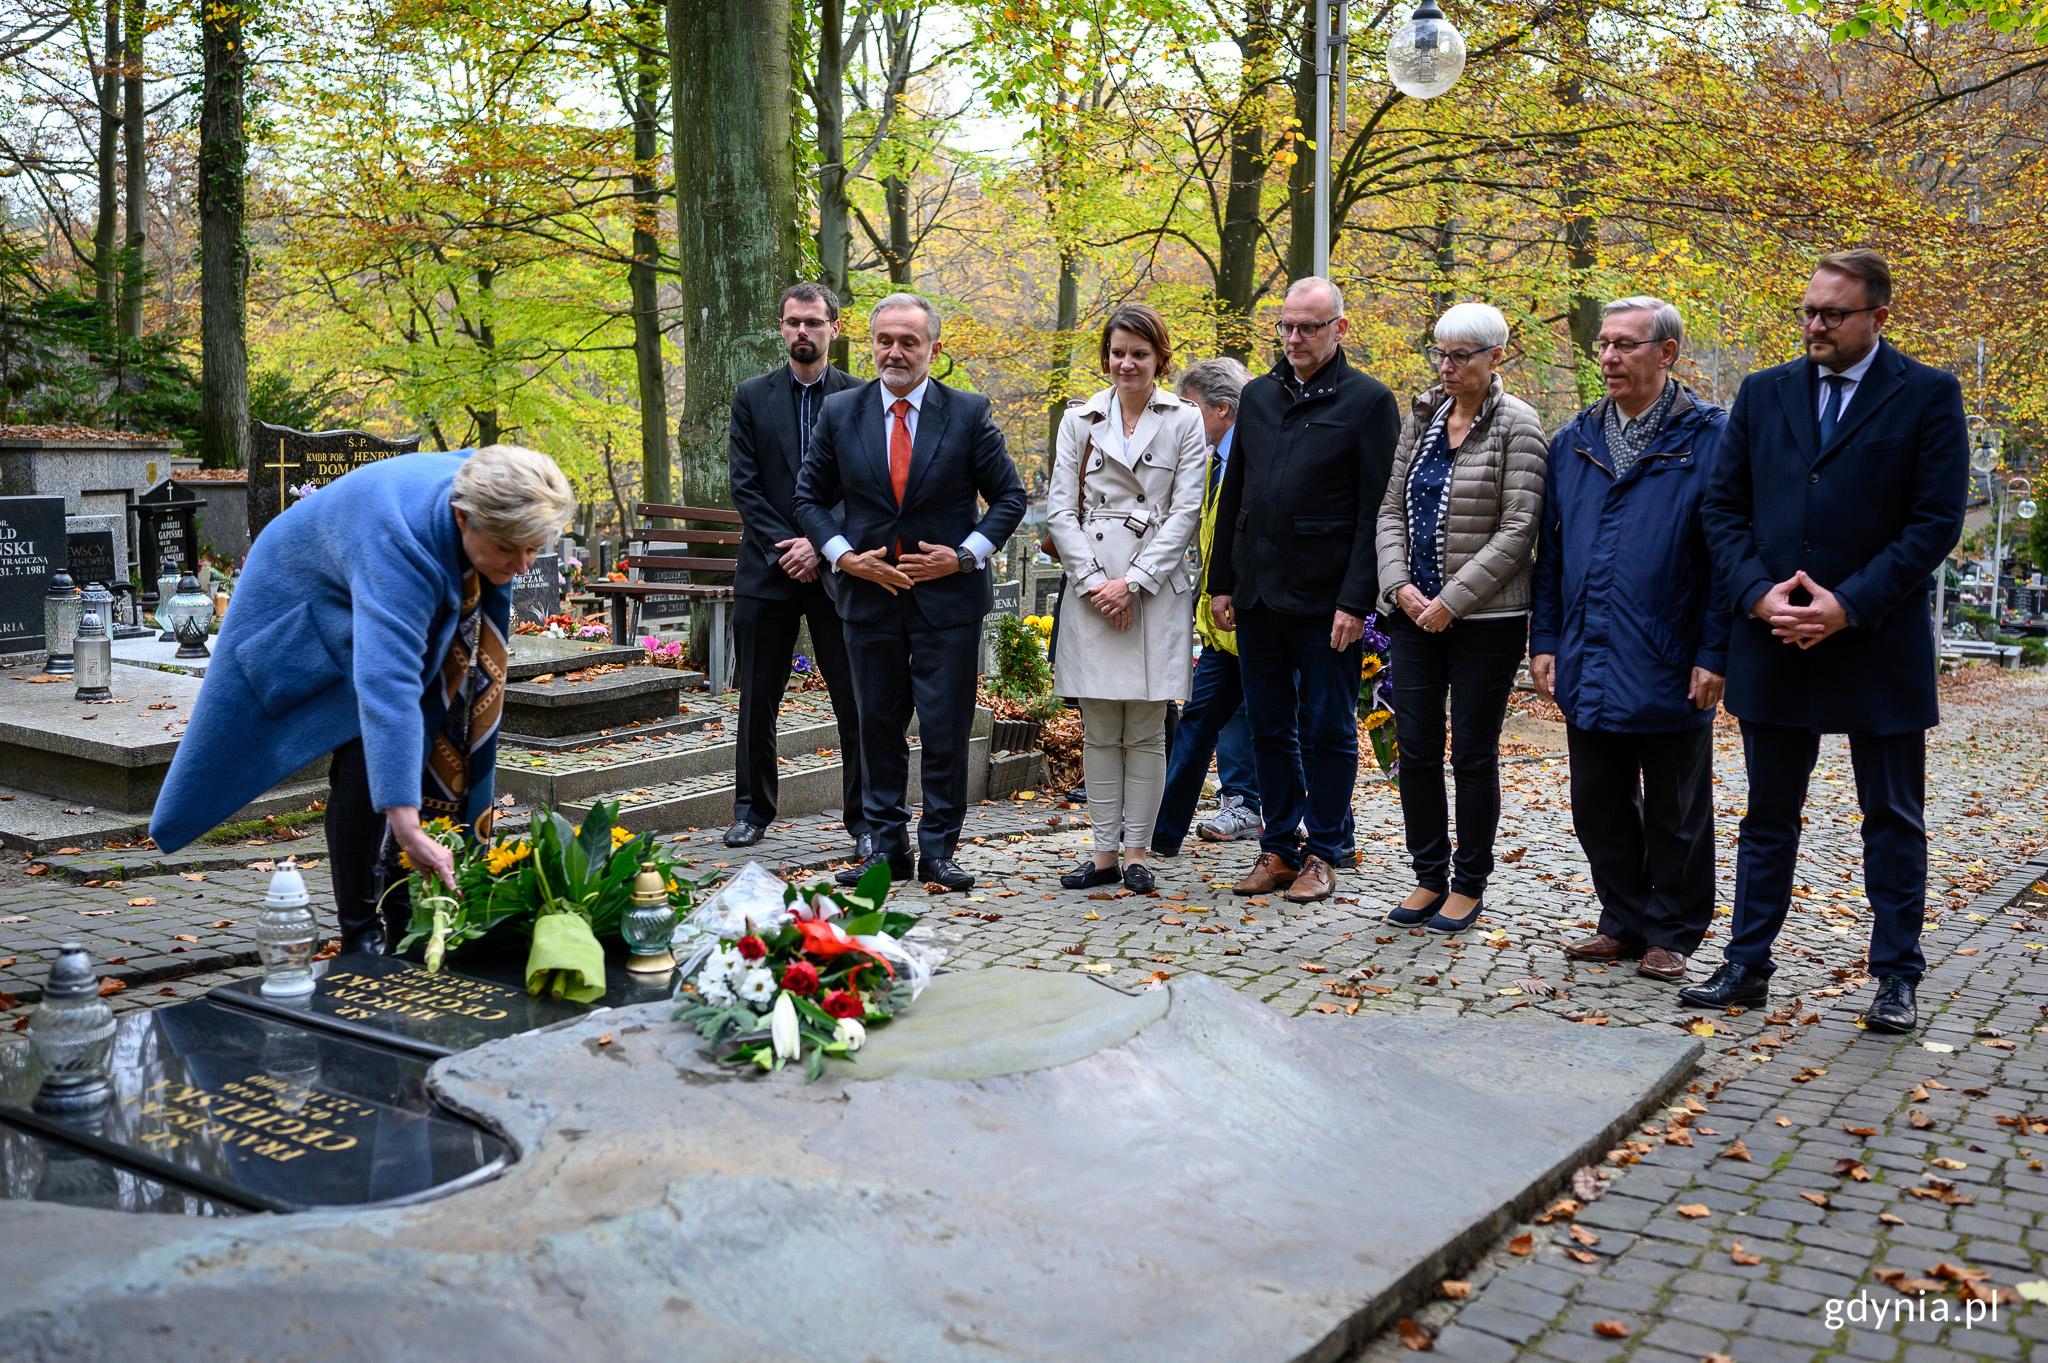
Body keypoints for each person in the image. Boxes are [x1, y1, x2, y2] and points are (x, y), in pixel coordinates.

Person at [150, 445, 576, 954]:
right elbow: (389, 688)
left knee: (420, 737)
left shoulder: (491, 482)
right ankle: (361, 938)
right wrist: (406, 820)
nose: (523, 563)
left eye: (534, 548)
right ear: (464, 519)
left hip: (368, 579)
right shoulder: (399, 546)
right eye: (512, 550)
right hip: (307, 600)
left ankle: (404, 918)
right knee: (361, 762)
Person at [1691, 249, 1968, 1031]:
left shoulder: (1928, 395)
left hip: (1877, 644)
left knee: (1892, 815)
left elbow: (1933, 522)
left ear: (1878, 317)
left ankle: (1896, 977)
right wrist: (1757, 592)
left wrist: (1850, 604)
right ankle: (1746, 964)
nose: (1815, 325)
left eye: (1833, 314)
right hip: (1775, 636)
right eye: (1808, 310)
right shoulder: (1763, 390)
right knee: (1767, 815)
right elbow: (1723, 508)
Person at [794, 291, 1028, 893]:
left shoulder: (969, 413)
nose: (895, 352)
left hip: (947, 604)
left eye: (909, 342)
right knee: (874, 726)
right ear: (870, 344)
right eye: (884, 341)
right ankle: (885, 849)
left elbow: (1008, 498)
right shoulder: (841, 413)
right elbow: (809, 499)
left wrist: (965, 555)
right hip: (867, 600)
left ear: (933, 349)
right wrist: (844, 557)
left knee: (945, 728)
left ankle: (940, 851)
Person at [1530, 296, 1729, 984]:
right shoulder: (1575, 439)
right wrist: (1546, 637)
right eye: (1604, 345)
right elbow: (1550, 555)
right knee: (1599, 802)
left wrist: (1715, 652)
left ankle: (1671, 932)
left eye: (1624, 345)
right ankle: (1621, 919)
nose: (1608, 357)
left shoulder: (1710, 439)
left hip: (1671, 653)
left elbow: (1730, 559)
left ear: (1666, 353)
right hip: (1588, 652)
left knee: (1677, 810)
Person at [1209, 276, 1400, 904]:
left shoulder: (1368, 402)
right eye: (1286, 325)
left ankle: (1326, 850)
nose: (1293, 337)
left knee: (1327, 727)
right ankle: (1280, 848)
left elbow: (1377, 508)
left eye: (1308, 327)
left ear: (1339, 329)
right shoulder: (1257, 397)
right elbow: (1233, 493)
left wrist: (1355, 601)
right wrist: (1222, 582)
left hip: (1326, 602)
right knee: (1269, 725)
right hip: (1259, 595)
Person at [1372, 302, 1546, 934]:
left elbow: (1518, 529)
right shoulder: (1421, 418)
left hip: (1486, 622)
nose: (1445, 368)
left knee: (1472, 753)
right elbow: (1390, 509)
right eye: (1439, 354)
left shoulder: (1518, 427)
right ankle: (1427, 876)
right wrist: (1399, 587)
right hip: (1412, 615)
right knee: (1415, 749)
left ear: (1494, 357)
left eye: (1460, 356)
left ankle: (1468, 883)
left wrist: (1452, 601)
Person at [1045, 305, 1207, 893]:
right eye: (1117, 352)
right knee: (1098, 727)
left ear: (1159, 357)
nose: (1127, 363)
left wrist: (1133, 582)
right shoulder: (1079, 420)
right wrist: (1094, 582)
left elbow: (1186, 511)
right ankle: (1103, 852)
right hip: (1091, 584)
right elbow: (1060, 508)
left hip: (1154, 587)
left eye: (1139, 353)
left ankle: (1137, 850)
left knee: (1144, 726)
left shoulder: (1184, 421)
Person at [723, 283, 866, 854]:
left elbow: (864, 487)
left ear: (834, 328)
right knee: (758, 698)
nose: (801, 332)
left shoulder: (861, 397)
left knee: (854, 700)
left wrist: (822, 544)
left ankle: (865, 822)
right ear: (781, 329)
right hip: (767, 569)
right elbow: (745, 486)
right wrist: (790, 546)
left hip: (839, 572)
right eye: (791, 322)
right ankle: (752, 812)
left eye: (812, 322)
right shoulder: (752, 398)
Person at [1151, 356, 1264, 856]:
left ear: (1222, 409)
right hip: (1222, 625)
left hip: (1260, 618)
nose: (1180, 417)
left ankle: (1330, 837)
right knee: (1200, 720)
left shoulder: (1257, 455)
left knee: (1293, 723)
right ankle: (1159, 833)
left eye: (1188, 407)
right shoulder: (1209, 460)